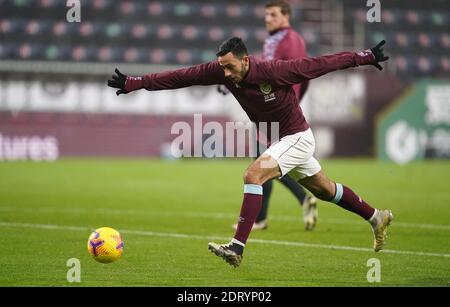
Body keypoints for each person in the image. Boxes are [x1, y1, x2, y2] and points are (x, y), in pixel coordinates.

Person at [107, 37, 392, 268]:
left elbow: (320, 64)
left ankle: (236, 248)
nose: (226, 74)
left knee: (253, 175)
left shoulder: (274, 71)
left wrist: (365, 56)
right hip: (281, 141)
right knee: (325, 190)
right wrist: (136, 82)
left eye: (230, 67)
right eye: (223, 68)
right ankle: (376, 216)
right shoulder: (223, 71)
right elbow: (181, 76)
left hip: (297, 137)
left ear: (245, 60)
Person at [234, 0, 318, 231]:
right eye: (266, 14)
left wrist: (286, 107)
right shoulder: (276, 40)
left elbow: (295, 74)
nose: (267, 19)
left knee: (263, 164)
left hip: (277, 114)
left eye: (272, 15)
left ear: (285, 16)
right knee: (266, 163)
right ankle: (267, 215)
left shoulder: (289, 41)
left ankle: (290, 205)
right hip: (274, 111)